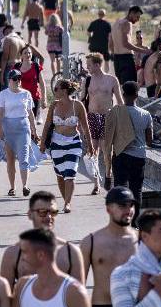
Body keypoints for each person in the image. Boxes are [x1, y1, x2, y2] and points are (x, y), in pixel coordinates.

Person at [0, 191, 85, 290]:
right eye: (42, 212)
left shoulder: (71, 252)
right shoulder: (13, 253)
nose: (49, 217)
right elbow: (4, 297)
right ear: (30, 214)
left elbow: (79, 297)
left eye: (53, 212)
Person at [41, 78, 94, 213]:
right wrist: (42, 143)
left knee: (70, 174)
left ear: (64, 91)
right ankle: (66, 200)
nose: (54, 91)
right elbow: (47, 124)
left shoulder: (78, 106)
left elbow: (85, 127)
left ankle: (67, 204)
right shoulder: (54, 105)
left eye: (56, 89)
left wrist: (90, 145)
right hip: (56, 144)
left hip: (73, 143)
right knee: (60, 175)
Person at [104, 81, 153, 218]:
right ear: (137, 95)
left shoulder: (115, 112)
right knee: (136, 190)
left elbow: (108, 137)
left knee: (121, 189)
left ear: (123, 95)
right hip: (139, 156)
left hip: (121, 155)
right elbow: (150, 140)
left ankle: (122, 218)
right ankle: (135, 221)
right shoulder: (146, 114)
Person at [84, 52, 124, 194]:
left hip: (107, 117)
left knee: (107, 152)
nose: (87, 68)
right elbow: (83, 101)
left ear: (97, 64)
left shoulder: (112, 80)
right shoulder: (88, 80)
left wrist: (123, 117)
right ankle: (96, 184)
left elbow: (120, 101)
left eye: (89, 65)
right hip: (92, 117)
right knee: (93, 150)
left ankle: (108, 175)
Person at [0, 69, 38, 198]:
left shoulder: (26, 94)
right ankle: (12, 187)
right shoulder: (3, 94)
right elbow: (0, 114)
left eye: (19, 78)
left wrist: (34, 130)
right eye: (15, 78)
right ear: (9, 80)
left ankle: (25, 186)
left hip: (23, 128)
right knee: (10, 160)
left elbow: (30, 113)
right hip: (8, 129)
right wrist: (0, 131)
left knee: (24, 158)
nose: (18, 81)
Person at [111, 6, 150, 86]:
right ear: (131, 13)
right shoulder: (127, 23)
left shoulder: (116, 23)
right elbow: (126, 44)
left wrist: (115, 54)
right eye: (137, 16)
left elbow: (110, 43)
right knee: (131, 88)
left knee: (122, 87)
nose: (138, 19)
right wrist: (145, 51)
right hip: (126, 59)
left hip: (117, 59)